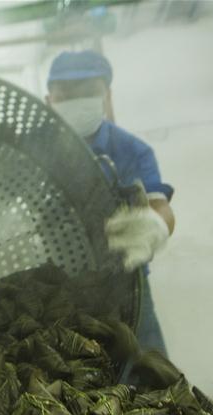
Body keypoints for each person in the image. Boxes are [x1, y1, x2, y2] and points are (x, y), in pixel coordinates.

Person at [45, 49, 175, 355]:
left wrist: (155, 226)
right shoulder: (33, 149)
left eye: (87, 91)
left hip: (126, 290)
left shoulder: (131, 150)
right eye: (66, 93)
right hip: (53, 292)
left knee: (149, 381)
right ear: (49, 100)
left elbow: (162, 208)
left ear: (106, 95)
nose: (76, 100)